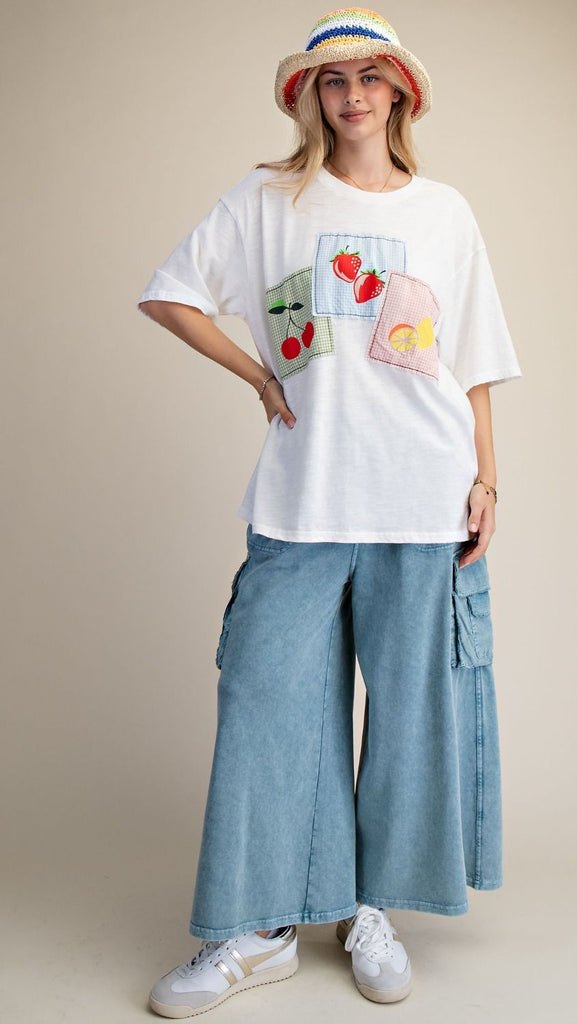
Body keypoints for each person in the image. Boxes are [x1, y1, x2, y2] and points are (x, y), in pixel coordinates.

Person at [136, 7, 522, 1017]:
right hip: (301, 498)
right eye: (332, 80)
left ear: (400, 92)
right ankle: (258, 929)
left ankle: (367, 910)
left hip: (423, 494)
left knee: (411, 713)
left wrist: (486, 479)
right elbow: (172, 294)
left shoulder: (445, 211)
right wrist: (258, 374)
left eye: (369, 77)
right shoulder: (269, 198)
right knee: (265, 700)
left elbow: (474, 359)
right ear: (309, 97)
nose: (352, 94)